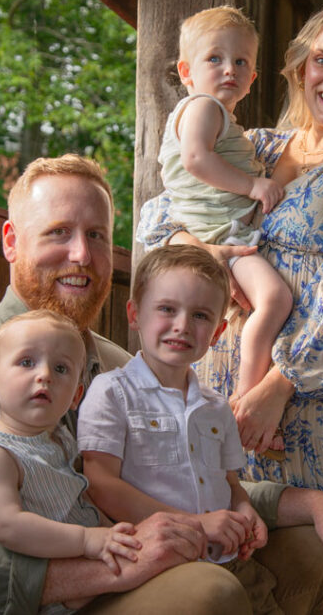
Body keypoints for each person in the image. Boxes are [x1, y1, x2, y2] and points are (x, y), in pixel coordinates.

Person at [0, 153, 323, 615]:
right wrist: (106, 567)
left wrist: (309, 502)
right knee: (210, 592)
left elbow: (186, 477)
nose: (81, 254)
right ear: (11, 241)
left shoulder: (116, 364)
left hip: (130, 568)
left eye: (97, 235)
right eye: (58, 232)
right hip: (49, 599)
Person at [139, 0, 323, 614]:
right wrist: (203, 249)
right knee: (220, 580)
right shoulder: (257, 147)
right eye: (321, 60)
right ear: (298, 68)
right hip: (208, 397)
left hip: (303, 414)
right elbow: (159, 215)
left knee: (316, 578)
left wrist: (280, 383)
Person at [79, 245, 281, 614]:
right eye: (167, 309)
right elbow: (100, 484)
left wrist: (245, 511)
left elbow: (231, 484)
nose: (182, 325)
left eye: (200, 315)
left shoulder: (217, 407)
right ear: (134, 314)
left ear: (218, 332)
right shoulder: (112, 392)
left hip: (230, 561)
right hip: (155, 566)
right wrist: (197, 524)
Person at [159, 7, 292, 452]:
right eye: (214, 58)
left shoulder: (224, 120)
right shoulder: (203, 107)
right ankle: (247, 400)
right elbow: (196, 160)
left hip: (221, 233)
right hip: (223, 237)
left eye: (241, 62)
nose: (229, 69)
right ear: (186, 71)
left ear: (253, 77)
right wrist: (253, 183)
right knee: (274, 300)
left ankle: (237, 408)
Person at [0, 309, 143, 615]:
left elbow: (76, 496)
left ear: (76, 396)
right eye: (26, 362)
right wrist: (87, 540)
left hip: (83, 559)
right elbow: (8, 526)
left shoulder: (58, 439)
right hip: (40, 589)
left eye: (61, 369)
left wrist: (110, 532)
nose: (44, 374)